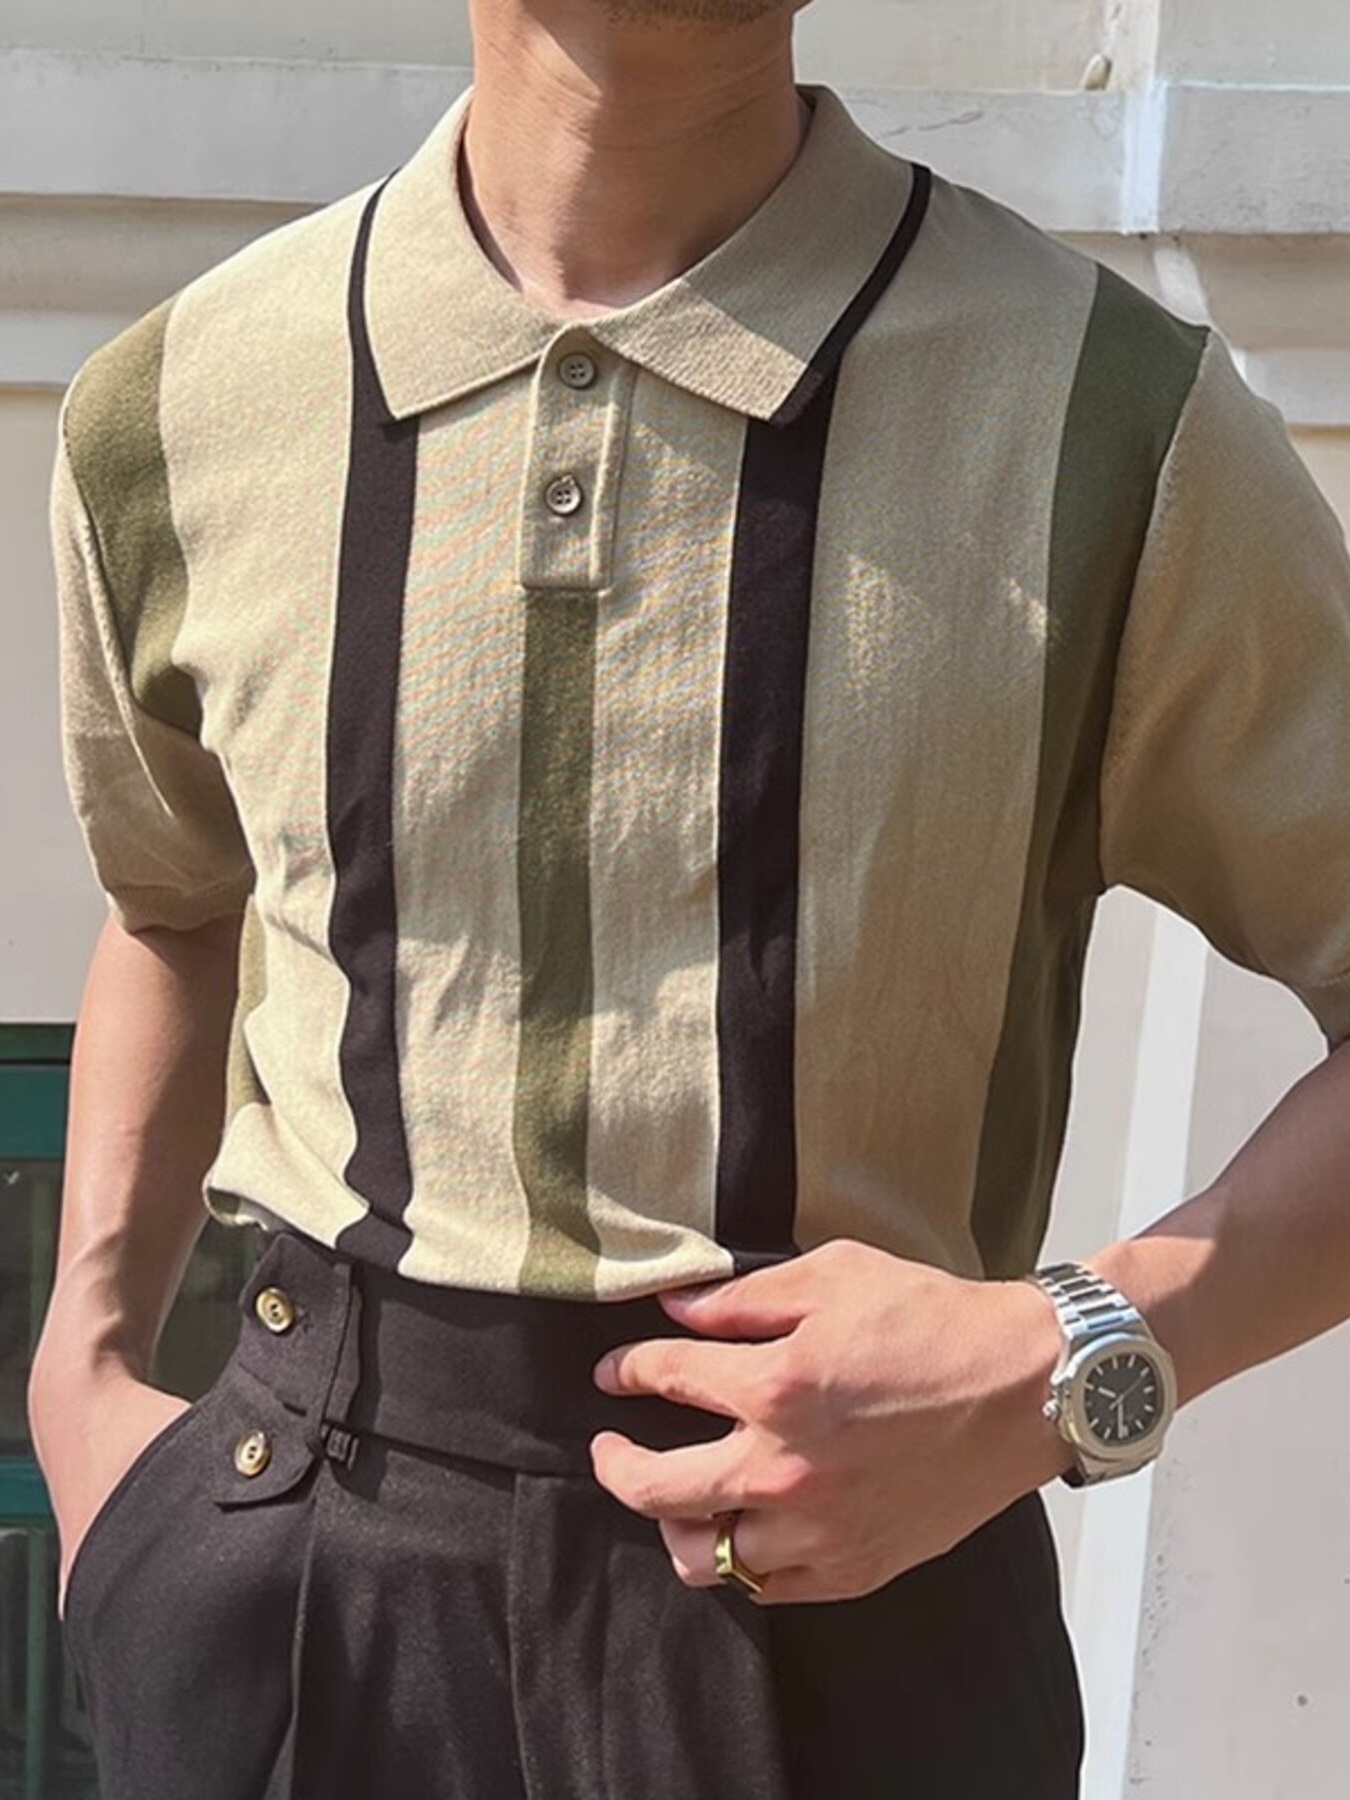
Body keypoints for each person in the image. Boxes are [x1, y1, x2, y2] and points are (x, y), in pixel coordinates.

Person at [27, 0, 1350, 1793]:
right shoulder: (177, 406)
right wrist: (85, 1369)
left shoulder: (1114, 424)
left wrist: (1075, 1353)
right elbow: (174, 901)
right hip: (295, 1573)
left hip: (859, 1614)